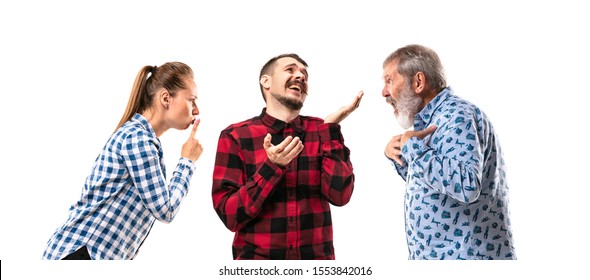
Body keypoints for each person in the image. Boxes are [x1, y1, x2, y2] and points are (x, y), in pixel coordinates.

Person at [42, 62, 203, 260]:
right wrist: (187, 162)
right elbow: (165, 210)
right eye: (192, 100)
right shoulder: (137, 140)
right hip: (81, 255)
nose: (196, 110)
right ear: (165, 98)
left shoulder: (143, 139)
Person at [212, 53, 363, 260]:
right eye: (290, 70)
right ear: (266, 81)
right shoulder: (236, 136)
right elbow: (230, 215)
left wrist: (330, 130)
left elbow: (340, 196)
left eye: (304, 74)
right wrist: (271, 167)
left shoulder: (322, 131)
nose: (300, 76)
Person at [381, 44, 516, 260]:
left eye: (389, 80)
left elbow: (466, 186)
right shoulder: (434, 120)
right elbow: (440, 188)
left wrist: (413, 149)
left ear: (418, 82)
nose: (384, 92)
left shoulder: (456, 116)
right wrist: (400, 157)